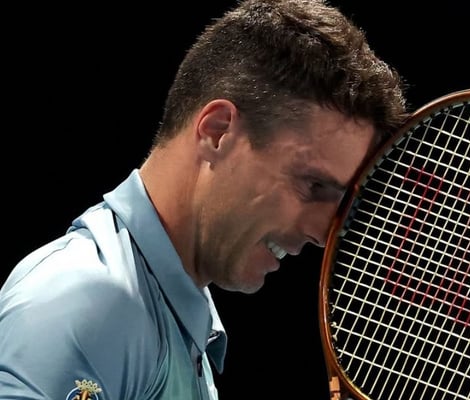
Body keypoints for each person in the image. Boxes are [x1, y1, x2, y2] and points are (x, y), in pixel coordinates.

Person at [0, 0, 408, 399]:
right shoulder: (86, 301)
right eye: (313, 185)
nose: (322, 234)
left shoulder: (167, 316)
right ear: (217, 132)